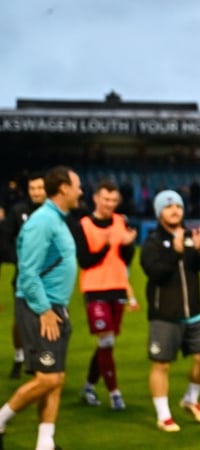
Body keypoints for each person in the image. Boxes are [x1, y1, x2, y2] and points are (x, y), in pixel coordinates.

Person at [0, 166, 83, 450]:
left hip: (55, 307)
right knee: (47, 378)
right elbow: (27, 272)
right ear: (63, 188)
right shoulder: (43, 221)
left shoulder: (58, 219)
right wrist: (45, 310)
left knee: (56, 377)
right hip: (41, 308)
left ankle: (45, 444)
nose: (80, 191)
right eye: (77, 186)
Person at [140, 190, 200, 432]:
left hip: (194, 313)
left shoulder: (192, 236)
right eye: (169, 207)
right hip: (165, 315)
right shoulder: (151, 242)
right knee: (162, 364)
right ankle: (164, 416)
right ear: (159, 212)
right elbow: (155, 273)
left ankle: (190, 400)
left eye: (178, 207)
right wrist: (176, 251)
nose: (175, 211)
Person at [71, 180, 138, 410]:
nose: (109, 203)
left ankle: (89, 386)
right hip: (94, 289)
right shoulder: (83, 224)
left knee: (105, 344)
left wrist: (128, 244)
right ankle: (114, 394)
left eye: (113, 200)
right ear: (96, 198)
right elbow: (85, 261)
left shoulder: (121, 221)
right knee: (106, 341)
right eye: (106, 199)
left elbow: (126, 259)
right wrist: (107, 245)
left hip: (117, 286)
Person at [3, 173, 46, 379]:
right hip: (24, 276)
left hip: (48, 277)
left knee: (46, 317)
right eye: (33, 188)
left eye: (40, 188)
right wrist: (18, 259)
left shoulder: (53, 213)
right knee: (21, 319)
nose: (36, 192)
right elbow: (4, 238)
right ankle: (20, 357)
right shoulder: (18, 211)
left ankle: (41, 357)